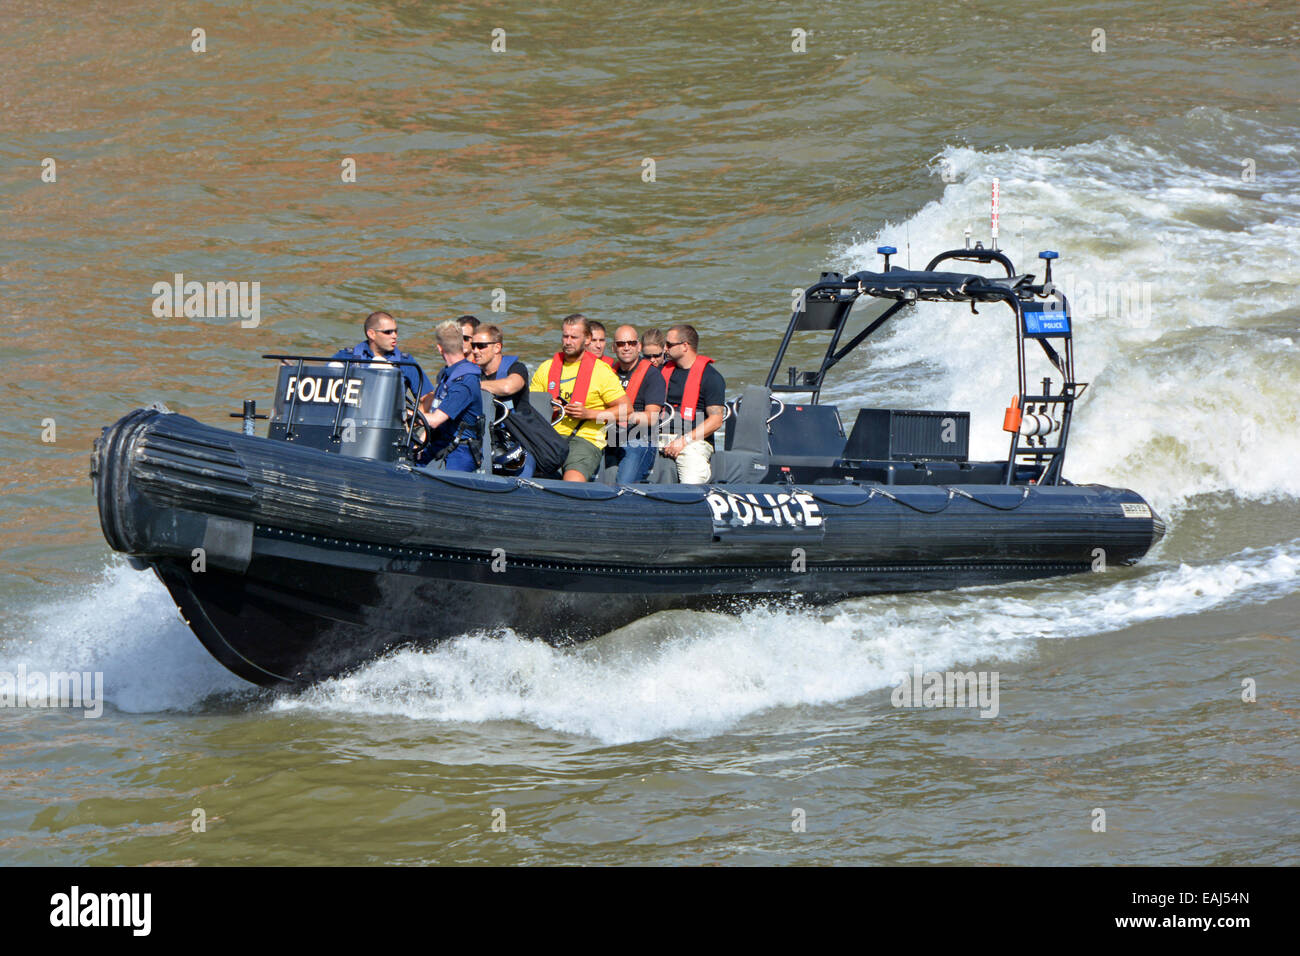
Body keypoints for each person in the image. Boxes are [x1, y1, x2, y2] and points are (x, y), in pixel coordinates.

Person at [529, 315, 628, 481]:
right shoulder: (546, 368)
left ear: (587, 339)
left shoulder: (602, 371)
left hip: (585, 439)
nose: (568, 342)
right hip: (548, 437)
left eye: (574, 337)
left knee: (572, 482)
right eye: (565, 336)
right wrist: (548, 408)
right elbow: (530, 407)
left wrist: (588, 414)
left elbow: (626, 411)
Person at [660, 324, 726, 484]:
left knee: (692, 472)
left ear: (684, 346)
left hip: (694, 441)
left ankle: (691, 499)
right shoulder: (660, 372)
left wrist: (684, 441)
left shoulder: (711, 377)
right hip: (662, 436)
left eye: (669, 344)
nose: (664, 349)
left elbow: (716, 420)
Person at [332, 310, 434, 410]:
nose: (394, 336)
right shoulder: (345, 357)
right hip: (348, 420)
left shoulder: (405, 362)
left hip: (386, 423)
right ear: (371, 334)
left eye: (396, 331)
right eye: (388, 332)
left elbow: (428, 397)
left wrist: (411, 422)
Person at [470, 324, 535, 477]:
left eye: (481, 346)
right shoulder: (472, 374)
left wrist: (475, 386)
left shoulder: (517, 369)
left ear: (497, 347)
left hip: (519, 443)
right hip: (486, 442)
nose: (475, 351)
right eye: (473, 346)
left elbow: (508, 387)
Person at [422, 320, 484, 472]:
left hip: (461, 450)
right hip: (440, 441)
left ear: (439, 348)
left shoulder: (465, 381)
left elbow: (435, 420)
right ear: (462, 345)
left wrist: (405, 413)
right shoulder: (446, 374)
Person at [606, 324, 665, 483]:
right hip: (608, 435)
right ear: (613, 347)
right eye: (621, 344)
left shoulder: (653, 376)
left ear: (638, 346)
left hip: (640, 440)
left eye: (631, 343)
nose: (626, 347)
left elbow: (651, 418)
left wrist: (620, 416)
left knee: (624, 483)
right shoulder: (607, 373)